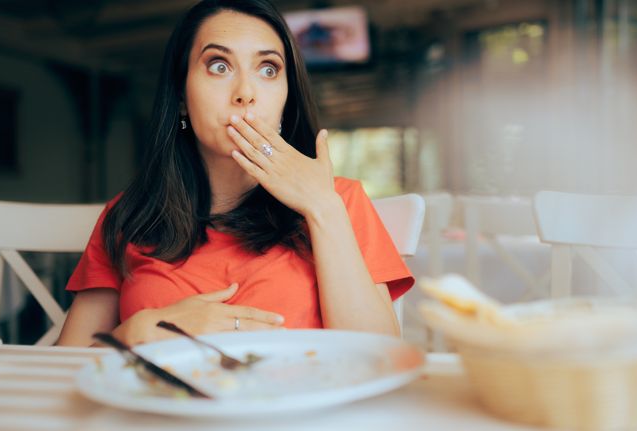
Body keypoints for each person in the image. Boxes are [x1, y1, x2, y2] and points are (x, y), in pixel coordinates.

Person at [56, 0, 413, 347]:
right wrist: (133, 334)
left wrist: (322, 208)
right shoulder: (129, 216)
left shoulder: (339, 202)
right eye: (218, 66)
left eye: (269, 69)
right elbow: (57, 371)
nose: (245, 93)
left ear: (286, 98)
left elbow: (381, 355)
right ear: (181, 94)